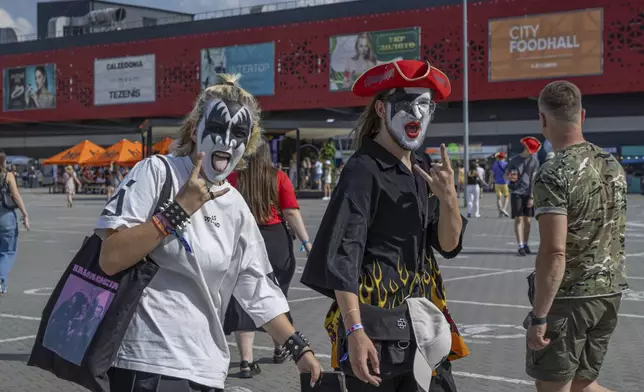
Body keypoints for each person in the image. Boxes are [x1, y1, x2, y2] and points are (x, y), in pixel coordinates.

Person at [96, 74, 321, 392]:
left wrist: (301, 350)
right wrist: (177, 211)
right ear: (194, 129)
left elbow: (258, 289)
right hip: (146, 363)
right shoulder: (157, 173)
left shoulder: (235, 205)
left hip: (206, 368)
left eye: (239, 133)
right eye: (217, 128)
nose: (228, 141)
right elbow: (110, 257)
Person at [301, 60, 469, 392]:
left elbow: (447, 246)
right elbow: (343, 256)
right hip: (376, 329)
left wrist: (449, 199)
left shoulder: (422, 167)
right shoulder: (363, 169)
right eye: (408, 104)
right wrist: (354, 331)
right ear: (382, 108)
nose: (418, 114)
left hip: (421, 324)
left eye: (425, 105)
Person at [526, 80, 628, 392]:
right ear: (581, 115)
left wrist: (539, 317)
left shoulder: (553, 171)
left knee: (553, 387)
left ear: (543, 119)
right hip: (609, 292)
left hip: (570, 298)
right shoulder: (612, 164)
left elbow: (554, 251)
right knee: (582, 385)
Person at [225, 140, 314, 378]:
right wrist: (306, 242)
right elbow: (291, 212)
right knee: (276, 296)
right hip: (275, 241)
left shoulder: (234, 178)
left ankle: (246, 361)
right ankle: (279, 349)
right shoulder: (278, 177)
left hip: (244, 240)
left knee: (244, 299)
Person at [505, 136, 541, 256]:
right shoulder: (514, 160)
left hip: (528, 193)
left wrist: (532, 196)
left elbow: (535, 178)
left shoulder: (534, 161)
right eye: (531, 149)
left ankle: (525, 243)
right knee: (519, 218)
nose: (532, 152)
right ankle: (520, 245)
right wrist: (510, 177)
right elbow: (506, 175)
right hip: (516, 192)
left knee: (528, 221)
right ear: (525, 148)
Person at [0, 152, 29, 294]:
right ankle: (1, 280)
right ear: (3, 162)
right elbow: (16, 196)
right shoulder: (8, 176)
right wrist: (25, 214)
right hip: (5, 216)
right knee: (7, 251)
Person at [492, 152, 510, 217]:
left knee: (498, 198)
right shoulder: (506, 164)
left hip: (497, 183)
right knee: (506, 197)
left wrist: (490, 183)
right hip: (505, 182)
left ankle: (500, 212)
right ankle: (504, 209)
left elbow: (492, 174)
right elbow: (509, 173)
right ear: (504, 157)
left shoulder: (495, 164)